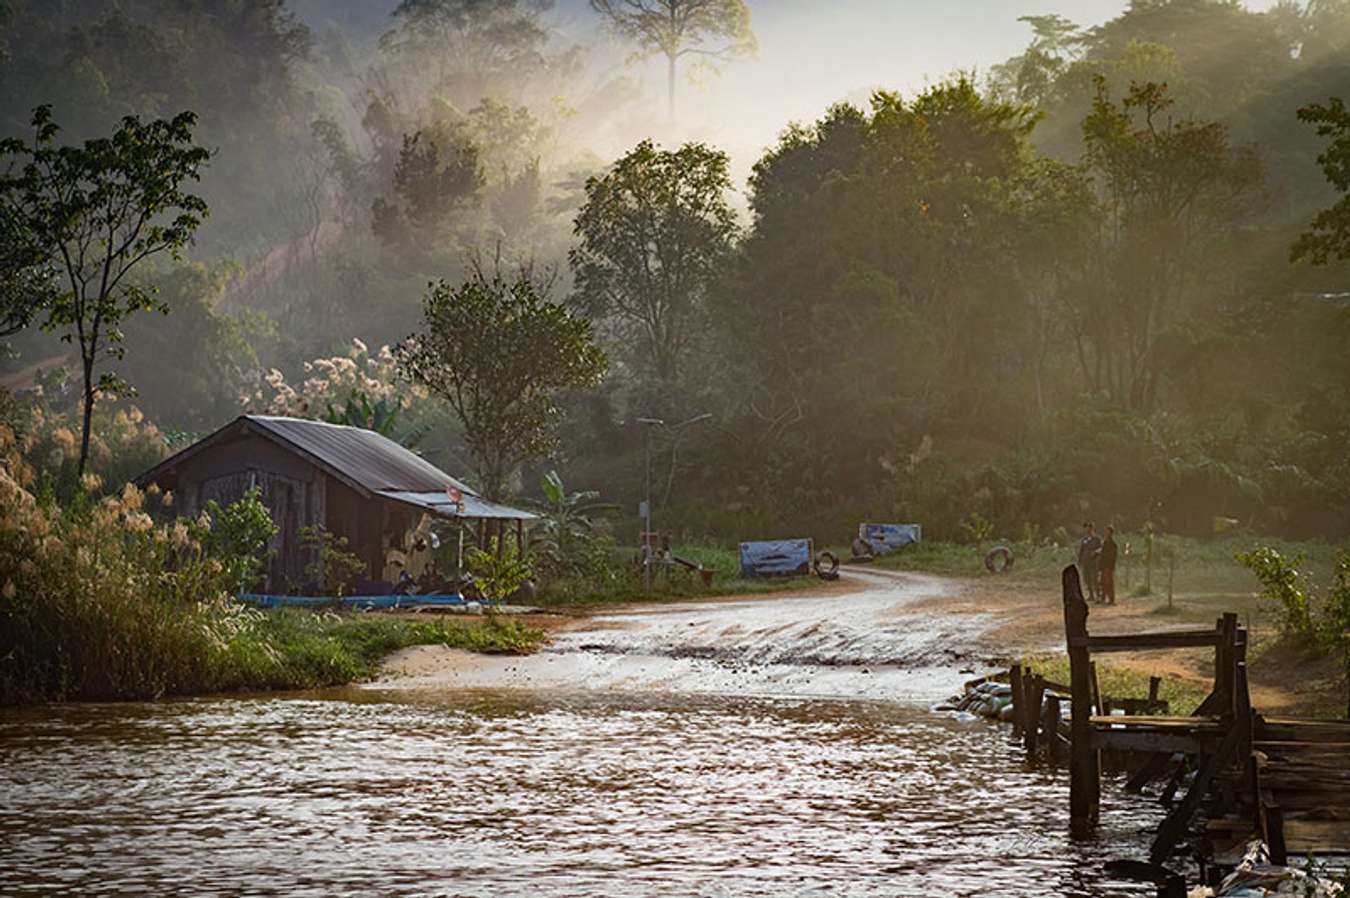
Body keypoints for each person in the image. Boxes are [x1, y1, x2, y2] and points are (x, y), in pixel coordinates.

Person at [1077, 521, 1102, 602]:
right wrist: (1080, 560)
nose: (1088, 529)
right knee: (1087, 579)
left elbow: (1101, 548)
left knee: (1095, 579)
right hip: (1085, 562)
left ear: (1092, 528)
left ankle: (1098, 595)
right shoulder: (1084, 539)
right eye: (1087, 528)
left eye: (1089, 527)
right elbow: (1081, 550)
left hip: (1094, 562)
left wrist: (1095, 552)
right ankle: (1091, 595)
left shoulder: (1097, 539)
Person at [1099, 525, 1118, 605]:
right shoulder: (1105, 542)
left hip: (1108, 566)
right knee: (1103, 582)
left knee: (1109, 583)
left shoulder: (1112, 544)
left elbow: (1112, 556)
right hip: (1103, 565)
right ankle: (1103, 597)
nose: (1106, 533)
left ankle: (1111, 599)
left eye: (1107, 531)